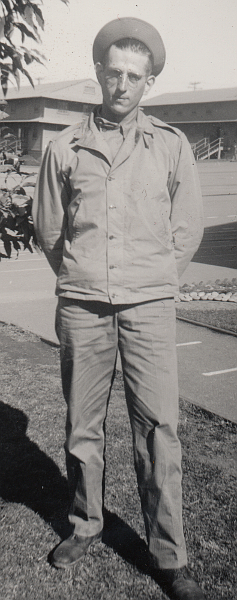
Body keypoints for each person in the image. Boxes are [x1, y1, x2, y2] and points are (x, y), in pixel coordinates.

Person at [32, 17, 204, 600]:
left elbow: (187, 230)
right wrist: (87, 279)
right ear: (99, 75)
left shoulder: (172, 145)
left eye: (135, 76)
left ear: (148, 82)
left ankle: (168, 555)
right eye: (114, 73)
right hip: (83, 307)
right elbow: (51, 231)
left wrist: (149, 280)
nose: (123, 84)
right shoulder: (64, 146)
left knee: (159, 430)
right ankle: (85, 524)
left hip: (149, 309)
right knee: (83, 427)